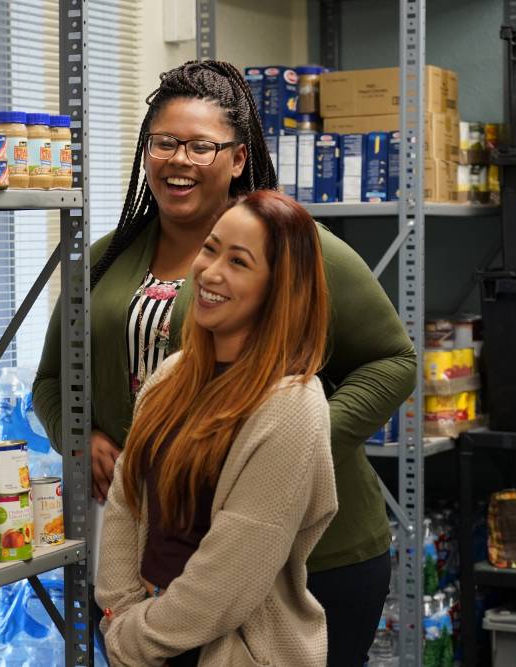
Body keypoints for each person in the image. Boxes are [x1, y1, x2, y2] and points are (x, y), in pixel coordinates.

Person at [33, 60, 417, 666]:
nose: (178, 159)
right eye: (165, 142)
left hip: (309, 562)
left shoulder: (295, 247)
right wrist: (79, 438)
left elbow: (393, 361)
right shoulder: (106, 258)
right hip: (164, 552)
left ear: (238, 158)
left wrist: (285, 454)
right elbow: (54, 380)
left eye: (201, 146)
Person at [97, 189, 336, 667]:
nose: (210, 272)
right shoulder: (173, 376)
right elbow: (126, 499)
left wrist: (132, 640)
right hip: (146, 635)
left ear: (279, 287)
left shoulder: (292, 406)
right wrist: (118, 612)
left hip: (231, 647)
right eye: (210, 248)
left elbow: (230, 575)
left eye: (239, 262)